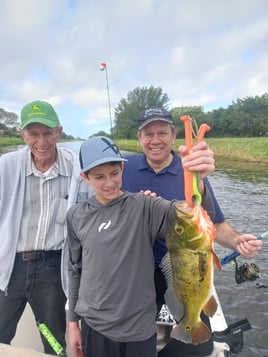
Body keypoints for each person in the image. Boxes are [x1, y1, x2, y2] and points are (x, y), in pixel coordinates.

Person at [122, 107, 263, 356]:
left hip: (178, 272)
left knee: (195, 347)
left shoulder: (193, 172)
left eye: (162, 133)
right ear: (139, 137)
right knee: (139, 341)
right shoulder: (124, 169)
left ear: (174, 135)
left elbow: (215, 224)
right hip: (135, 272)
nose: (155, 140)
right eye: (149, 134)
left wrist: (237, 241)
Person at [66, 135, 215, 357]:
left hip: (139, 329)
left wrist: (198, 181)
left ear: (122, 169)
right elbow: (74, 269)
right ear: (84, 177)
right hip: (95, 326)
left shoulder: (145, 207)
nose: (109, 183)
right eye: (99, 177)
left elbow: (191, 211)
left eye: (114, 173)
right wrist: (73, 324)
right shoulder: (77, 215)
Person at [0, 100, 92, 355]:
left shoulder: (77, 170)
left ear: (59, 133)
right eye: (33, 133)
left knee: (52, 339)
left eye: (48, 133)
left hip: (52, 270)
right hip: (9, 268)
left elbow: (96, 209)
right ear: (22, 134)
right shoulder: (5, 167)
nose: (41, 141)